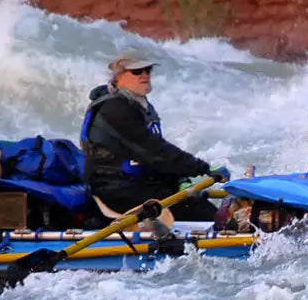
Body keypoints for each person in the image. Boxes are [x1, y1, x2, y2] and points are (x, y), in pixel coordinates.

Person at [80, 50, 228, 222]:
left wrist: (180, 178)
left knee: (199, 202)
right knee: (201, 212)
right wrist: (203, 168)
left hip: (138, 183)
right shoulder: (114, 109)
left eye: (147, 70)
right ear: (118, 77)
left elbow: (155, 155)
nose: (144, 75)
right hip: (114, 189)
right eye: (137, 72)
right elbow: (153, 151)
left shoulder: (138, 104)